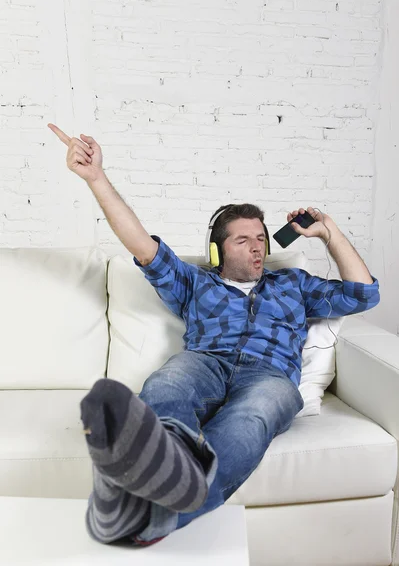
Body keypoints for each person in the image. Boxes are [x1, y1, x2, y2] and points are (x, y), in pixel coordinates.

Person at [48, 123, 380, 547]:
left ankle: (142, 513)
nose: (258, 248)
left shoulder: (293, 283)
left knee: (251, 419)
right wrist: (96, 178)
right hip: (206, 361)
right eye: (243, 240)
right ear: (217, 251)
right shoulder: (194, 283)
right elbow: (140, 243)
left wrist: (329, 233)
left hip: (269, 375)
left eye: (261, 239)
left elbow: (363, 293)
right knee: (168, 384)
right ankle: (155, 482)